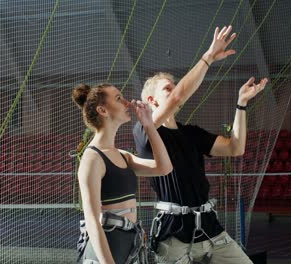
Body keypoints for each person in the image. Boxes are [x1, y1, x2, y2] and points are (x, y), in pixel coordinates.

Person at [133, 25, 267, 264]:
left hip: (210, 228)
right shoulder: (145, 130)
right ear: (152, 100)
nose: (174, 91)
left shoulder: (191, 133)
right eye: (167, 88)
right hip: (173, 234)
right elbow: (177, 98)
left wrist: (241, 104)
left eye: (174, 86)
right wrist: (208, 56)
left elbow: (235, 148)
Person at [72, 83, 173, 264]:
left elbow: (164, 167)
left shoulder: (122, 156)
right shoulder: (92, 159)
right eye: (119, 98)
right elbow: (93, 221)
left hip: (129, 246)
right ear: (102, 110)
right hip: (104, 254)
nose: (127, 102)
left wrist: (149, 125)